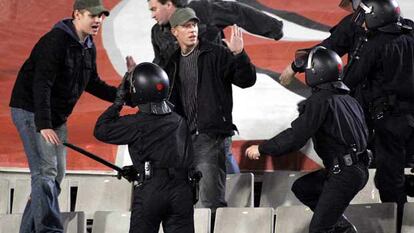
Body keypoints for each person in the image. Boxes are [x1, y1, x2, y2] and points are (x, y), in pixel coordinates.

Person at [127, 7, 256, 216]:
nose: (192, 30)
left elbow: (246, 80)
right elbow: (160, 100)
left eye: (194, 25)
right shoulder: (172, 63)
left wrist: (239, 55)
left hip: (211, 136)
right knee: (186, 202)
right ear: (174, 32)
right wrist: (133, 79)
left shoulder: (216, 54)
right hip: (183, 140)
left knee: (209, 201)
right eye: (186, 26)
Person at [9, 0, 117, 232]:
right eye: (93, 15)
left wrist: (123, 96)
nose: (98, 20)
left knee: (56, 174)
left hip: (55, 116)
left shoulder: (88, 45)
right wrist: (43, 124)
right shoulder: (55, 41)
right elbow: (42, 84)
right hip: (31, 111)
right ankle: (49, 229)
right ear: (77, 14)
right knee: (45, 171)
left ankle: (29, 229)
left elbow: (93, 83)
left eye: (102, 16)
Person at [246, 47, 369, 233]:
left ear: (316, 72)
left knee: (319, 229)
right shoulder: (348, 99)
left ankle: (342, 228)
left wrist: (262, 148)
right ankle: (342, 227)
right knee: (304, 188)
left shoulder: (320, 100)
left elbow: (296, 137)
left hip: (344, 173)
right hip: (357, 170)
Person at [94, 62, 195, 233]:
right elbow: (174, 156)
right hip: (182, 190)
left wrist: (118, 102)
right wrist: (137, 169)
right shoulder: (179, 121)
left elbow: (101, 130)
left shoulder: (135, 124)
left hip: (151, 190)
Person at [345, 0, 414, 231]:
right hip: (411, 118)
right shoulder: (410, 36)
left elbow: (351, 80)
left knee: (389, 180)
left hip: (389, 120)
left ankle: (398, 225)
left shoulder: (375, 45)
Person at [147, 0, 283, 68]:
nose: (152, 15)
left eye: (154, 9)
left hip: (213, 92)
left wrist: (273, 27)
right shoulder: (157, 32)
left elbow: (236, 11)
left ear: (169, 4)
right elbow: (160, 64)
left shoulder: (201, 10)